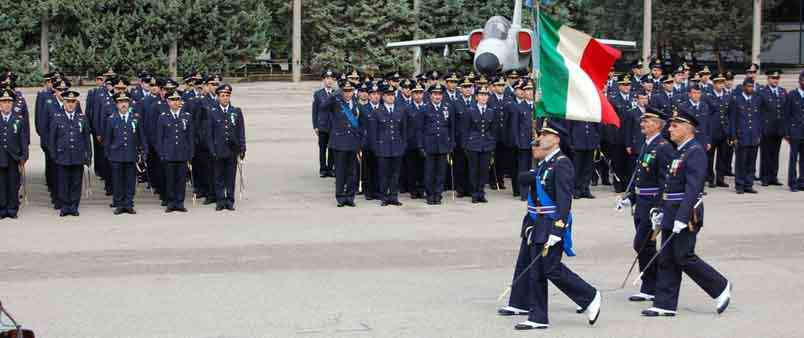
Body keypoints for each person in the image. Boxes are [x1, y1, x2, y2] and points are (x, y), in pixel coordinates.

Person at [498, 119, 601, 330]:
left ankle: (589, 295)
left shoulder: (562, 163)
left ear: (555, 139)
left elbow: (565, 201)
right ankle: (538, 317)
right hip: (539, 222)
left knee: (550, 269)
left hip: (551, 223)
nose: (540, 137)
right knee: (538, 269)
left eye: (545, 134)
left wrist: (558, 228)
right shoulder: (546, 162)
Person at [642, 110, 732, 317]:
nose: (670, 129)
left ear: (687, 128)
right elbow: (669, 185)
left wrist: (682, 218)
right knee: (666, 257)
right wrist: (660, 209)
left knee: (683, 256)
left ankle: (720, 286)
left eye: (675, 126)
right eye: (670, 125)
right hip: (671, 212)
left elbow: (693, 188)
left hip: (686, 214)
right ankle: (664, 303)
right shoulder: (680, 151)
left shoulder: (695, 152)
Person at [620, 107, 675, 302]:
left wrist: (659, 206)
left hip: (651, 203)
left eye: (648, 121)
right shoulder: (646, 144)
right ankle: (650, 285)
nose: (643, 124)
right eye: (643, 120)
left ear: (659, 124)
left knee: (642, 244)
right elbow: (640, 175)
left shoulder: (663, 147)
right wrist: (630, 198)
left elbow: (665, 181)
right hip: (641, 202)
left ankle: (659, 283)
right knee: (645, 246)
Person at [48, 89, 92, 217]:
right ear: (64, 103)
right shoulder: (57, 118)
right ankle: (65, 206)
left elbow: (86, 139)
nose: (70, 104)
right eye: (68, 102)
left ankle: (73, 206)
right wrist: (54, 155)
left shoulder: (82, 118)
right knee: (63, 182)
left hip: (78, 156)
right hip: (62, 156)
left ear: (76, 103)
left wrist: (88, 155)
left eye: (73, 102)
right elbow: (52, 139)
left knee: (76, 182)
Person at [104, 92, 147, 215]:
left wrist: (144, 150)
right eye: (121, 102)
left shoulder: (135, 118)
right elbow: (108, 139)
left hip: (130, 154)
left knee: (130, 181)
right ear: (116, 104)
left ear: (129, 104)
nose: (123, 104)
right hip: (116, 155)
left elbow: (141, 136)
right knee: (117, 181)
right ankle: (119, 204)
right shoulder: (111, 119)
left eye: (125, 102)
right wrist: (108, 154)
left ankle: (128, 204)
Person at [207, 84, 247, 210]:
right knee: (218, 177)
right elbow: (209, 134)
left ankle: (229, 200)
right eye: (222, 96)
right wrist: (211, 149)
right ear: (218, 97)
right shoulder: (212, 112)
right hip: (218, 150)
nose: (225, 98)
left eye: (227, 96)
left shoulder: (235, 112)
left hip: (231, 150)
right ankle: (220, 200)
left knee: (230, 177)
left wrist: (242, 148)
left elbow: (241, 131)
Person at [325, 80, 362, 207]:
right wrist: (335, 93)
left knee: (352, 172)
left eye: (350, 91)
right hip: (339, 143)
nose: (347, 93)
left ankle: (350, 197)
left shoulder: (356, 103)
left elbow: (359, 123)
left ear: (353, 92)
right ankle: (340, 197)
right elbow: (324, 106)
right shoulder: (336, 103)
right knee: (340, 172)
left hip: (353, 143)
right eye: (345, 91)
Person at [370, 83, 407, 206]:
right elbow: (373, 133)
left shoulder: (400, 110)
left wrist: (403, 145)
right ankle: (384, 197)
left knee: (395, 173)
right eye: (388, 95)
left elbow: (404, 130)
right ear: (383, 96)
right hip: (383, 148)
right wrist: (376, 149)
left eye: (392, 95)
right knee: (384, 174)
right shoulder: (377, 111)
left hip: (397, 147)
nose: (391, 97)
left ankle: (393, 196)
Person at [156, 91, 194, 212]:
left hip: (182, 153)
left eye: (177, 100)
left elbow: (190, 137)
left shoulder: (187, 116)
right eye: (172, 100)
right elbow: (159, 138)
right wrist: (161, 153)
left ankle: (180, 202)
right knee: (170, 179)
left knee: (181, 179)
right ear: (168, 102)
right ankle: (171, 202)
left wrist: (190, 153)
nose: (175, 102)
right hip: (169, 154)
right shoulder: (163, 117)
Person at [417, 83, 454, 205]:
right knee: (429, 172)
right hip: (429, 145)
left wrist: (451, 143)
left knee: (441, 172)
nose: (437, 97)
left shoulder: (447, 107)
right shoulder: (424, 108)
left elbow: (451, 127)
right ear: (430, 95)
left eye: (439, 94)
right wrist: (421, 146)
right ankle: (430, 194)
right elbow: (420, 129)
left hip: (443, 145)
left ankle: (438, 194)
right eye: (435, 94)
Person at [462, 86, 498, 203]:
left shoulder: (491, 111)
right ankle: (474, 193)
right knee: (473, 169)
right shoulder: (470, 110)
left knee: (484, 170)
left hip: (486, 144)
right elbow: (465, 129)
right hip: (473, 144)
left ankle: (481, 192)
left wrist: (492, 143)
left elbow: (494, 130)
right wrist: (465, 145)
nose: (483, 97)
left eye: (486, 95)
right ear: (476, 97)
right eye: (481, 95)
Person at [730, 78, 762, 194]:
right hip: (741, 136)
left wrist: (759, 134)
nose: (750, 88)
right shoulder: (736, 100)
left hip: (753, 135)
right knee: (741, 162)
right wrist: (733, 137)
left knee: (751, 162)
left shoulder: (757, 99)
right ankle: (739, 185)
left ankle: (749, 184)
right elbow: (733, 120)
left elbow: (759, 118)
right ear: (743, 87)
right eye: (748, 86)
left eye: (752, 86)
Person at [0, 88, 28, 219]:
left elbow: (23, 139)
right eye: (3, 102)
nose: (6, 104)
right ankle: (2, 208)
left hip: (13, 157)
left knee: (13, 183)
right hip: (0, 157)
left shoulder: (19, 119)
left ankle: (12, 209)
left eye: (9, 102)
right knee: (1, 183)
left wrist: (24, 156)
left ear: (12, 104)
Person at [758, 70, 786, 186]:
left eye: (777, 78)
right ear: (768, 79)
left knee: (775, 154)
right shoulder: (762, 92)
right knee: (766, 154)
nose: (775, 80)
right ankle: (765, 177)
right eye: (773, 78)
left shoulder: (782, 92)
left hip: (778, 129)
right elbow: (758, 112)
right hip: (766, 128)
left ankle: (773, 176)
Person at [704, 73, 732, 188]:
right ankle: (710, 178)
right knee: (710, 156)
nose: (721, 85)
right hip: (712, 131)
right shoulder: (708, 96)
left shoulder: (727, 95)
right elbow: (705, 115)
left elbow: (729, 114)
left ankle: (720, 179)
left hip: (724, 130)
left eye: (722, 82)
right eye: (718, 83)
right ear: (714, 84)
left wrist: (730, 131)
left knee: (723, 156)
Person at [313, 70, 337, 177]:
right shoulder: (318, 94)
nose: (329, 81)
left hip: (333, 126)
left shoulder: (337, 93)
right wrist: (315, 126)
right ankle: (323, 169)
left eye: (331, 79)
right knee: (322, 149)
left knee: (332, 148)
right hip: (322, 126)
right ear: (323, 80)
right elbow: (315, 111)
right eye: (327, 78)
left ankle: (330, 168)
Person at [784, 70, 804, 192]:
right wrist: (786, 132)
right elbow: (786, 115)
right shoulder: (792, 95)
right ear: (799, 81)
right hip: (795, 132)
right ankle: (792, 182)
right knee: (793, 158)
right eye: (803, 80)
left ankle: (802, 181)